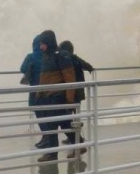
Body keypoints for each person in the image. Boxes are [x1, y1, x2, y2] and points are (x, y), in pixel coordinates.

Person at [35, 30, 77, 162]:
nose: (41, 47)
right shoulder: (47, 56)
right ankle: (80, 144)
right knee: (64, 124)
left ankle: (52, 153)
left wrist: (69, 99)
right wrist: (39, 94)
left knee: (51, 124)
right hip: (49, 96)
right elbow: (44, 77)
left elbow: (70, 78)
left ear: (49, 42)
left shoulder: (61, 55)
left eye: (42, 44)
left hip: (58, 96)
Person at [59, 40, 95, 150]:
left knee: (69, 117)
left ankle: (75, 139)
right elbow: (88, 66)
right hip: (78, 92)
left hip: (70, 92)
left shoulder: (65, 58)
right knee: (75, 116)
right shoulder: (76, 58)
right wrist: (90, 69)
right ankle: (74, 138)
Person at [20, 35, 45, 148]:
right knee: (48, 115)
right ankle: (46, 137)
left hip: (35, 90)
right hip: (48, 90)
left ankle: (46, 137)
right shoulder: (47, 56)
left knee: (40, 114)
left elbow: (22, 69)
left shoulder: (31, 57)